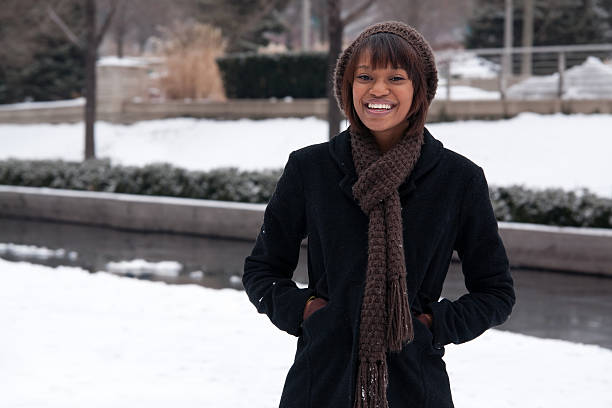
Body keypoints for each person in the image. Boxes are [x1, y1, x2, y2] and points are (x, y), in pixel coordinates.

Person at [243, 21, 515, 408]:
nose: (378, 89)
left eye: (396, 77)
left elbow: (496, 292)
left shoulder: (458, 179)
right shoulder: (310, 168)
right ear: (347, 86)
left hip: (416, 388)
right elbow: (262, 269)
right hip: (318, 385)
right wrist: (306, 313)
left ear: (420, 89)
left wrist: (433, 326)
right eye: (364, 76)